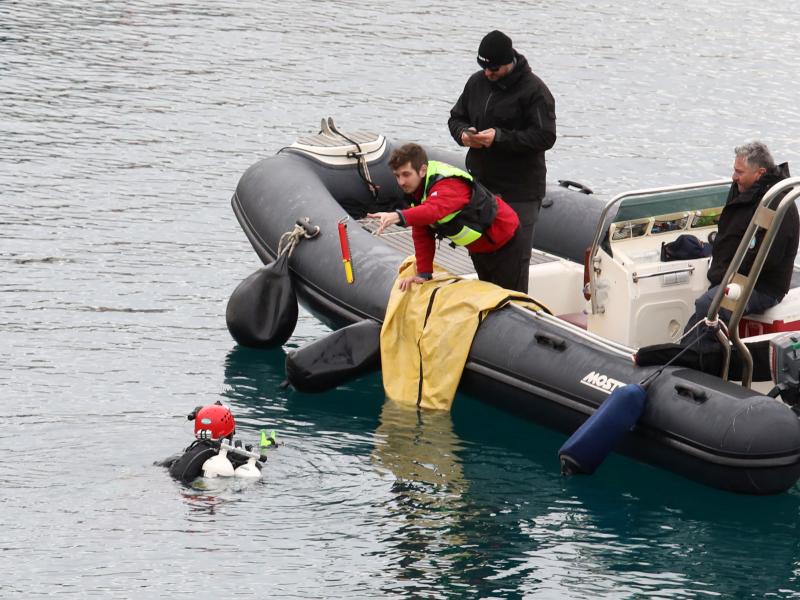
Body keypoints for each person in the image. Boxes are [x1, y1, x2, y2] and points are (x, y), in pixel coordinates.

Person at [447, 30, 556, 293]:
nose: (488, 73)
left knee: (513, 262)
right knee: (482, 252)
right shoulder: (476, 83)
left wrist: (499, 138)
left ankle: (515, 317)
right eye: (483, 67)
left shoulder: (535, 91)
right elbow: (455, 117)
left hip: (519, 192)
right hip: (482, 188)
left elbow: (545, 136)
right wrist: (463, 135)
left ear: (510, 62)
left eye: (494, 68)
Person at [683, 141, 798, 342]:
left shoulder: (778, 206)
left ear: (760, 173)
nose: (734, 177)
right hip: (729, 274)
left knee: (709, 307)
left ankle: (697, 360)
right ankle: (686, 351)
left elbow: (765, 260)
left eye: (739, 172)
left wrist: (729, 282)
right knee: (706, 307)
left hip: (761, 284)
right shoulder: (743, 189)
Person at [367, 143, 520, 291]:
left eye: (406, 174)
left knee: (512, 299)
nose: (401, 182)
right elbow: (422, 232)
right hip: (480, 247)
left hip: (505, 240)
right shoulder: (417, 191)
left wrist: (397, 216)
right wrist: (424, 273)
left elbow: (433, 210)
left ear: (422, 170)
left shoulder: (448, 184)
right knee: (489, 293)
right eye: (397, 176)